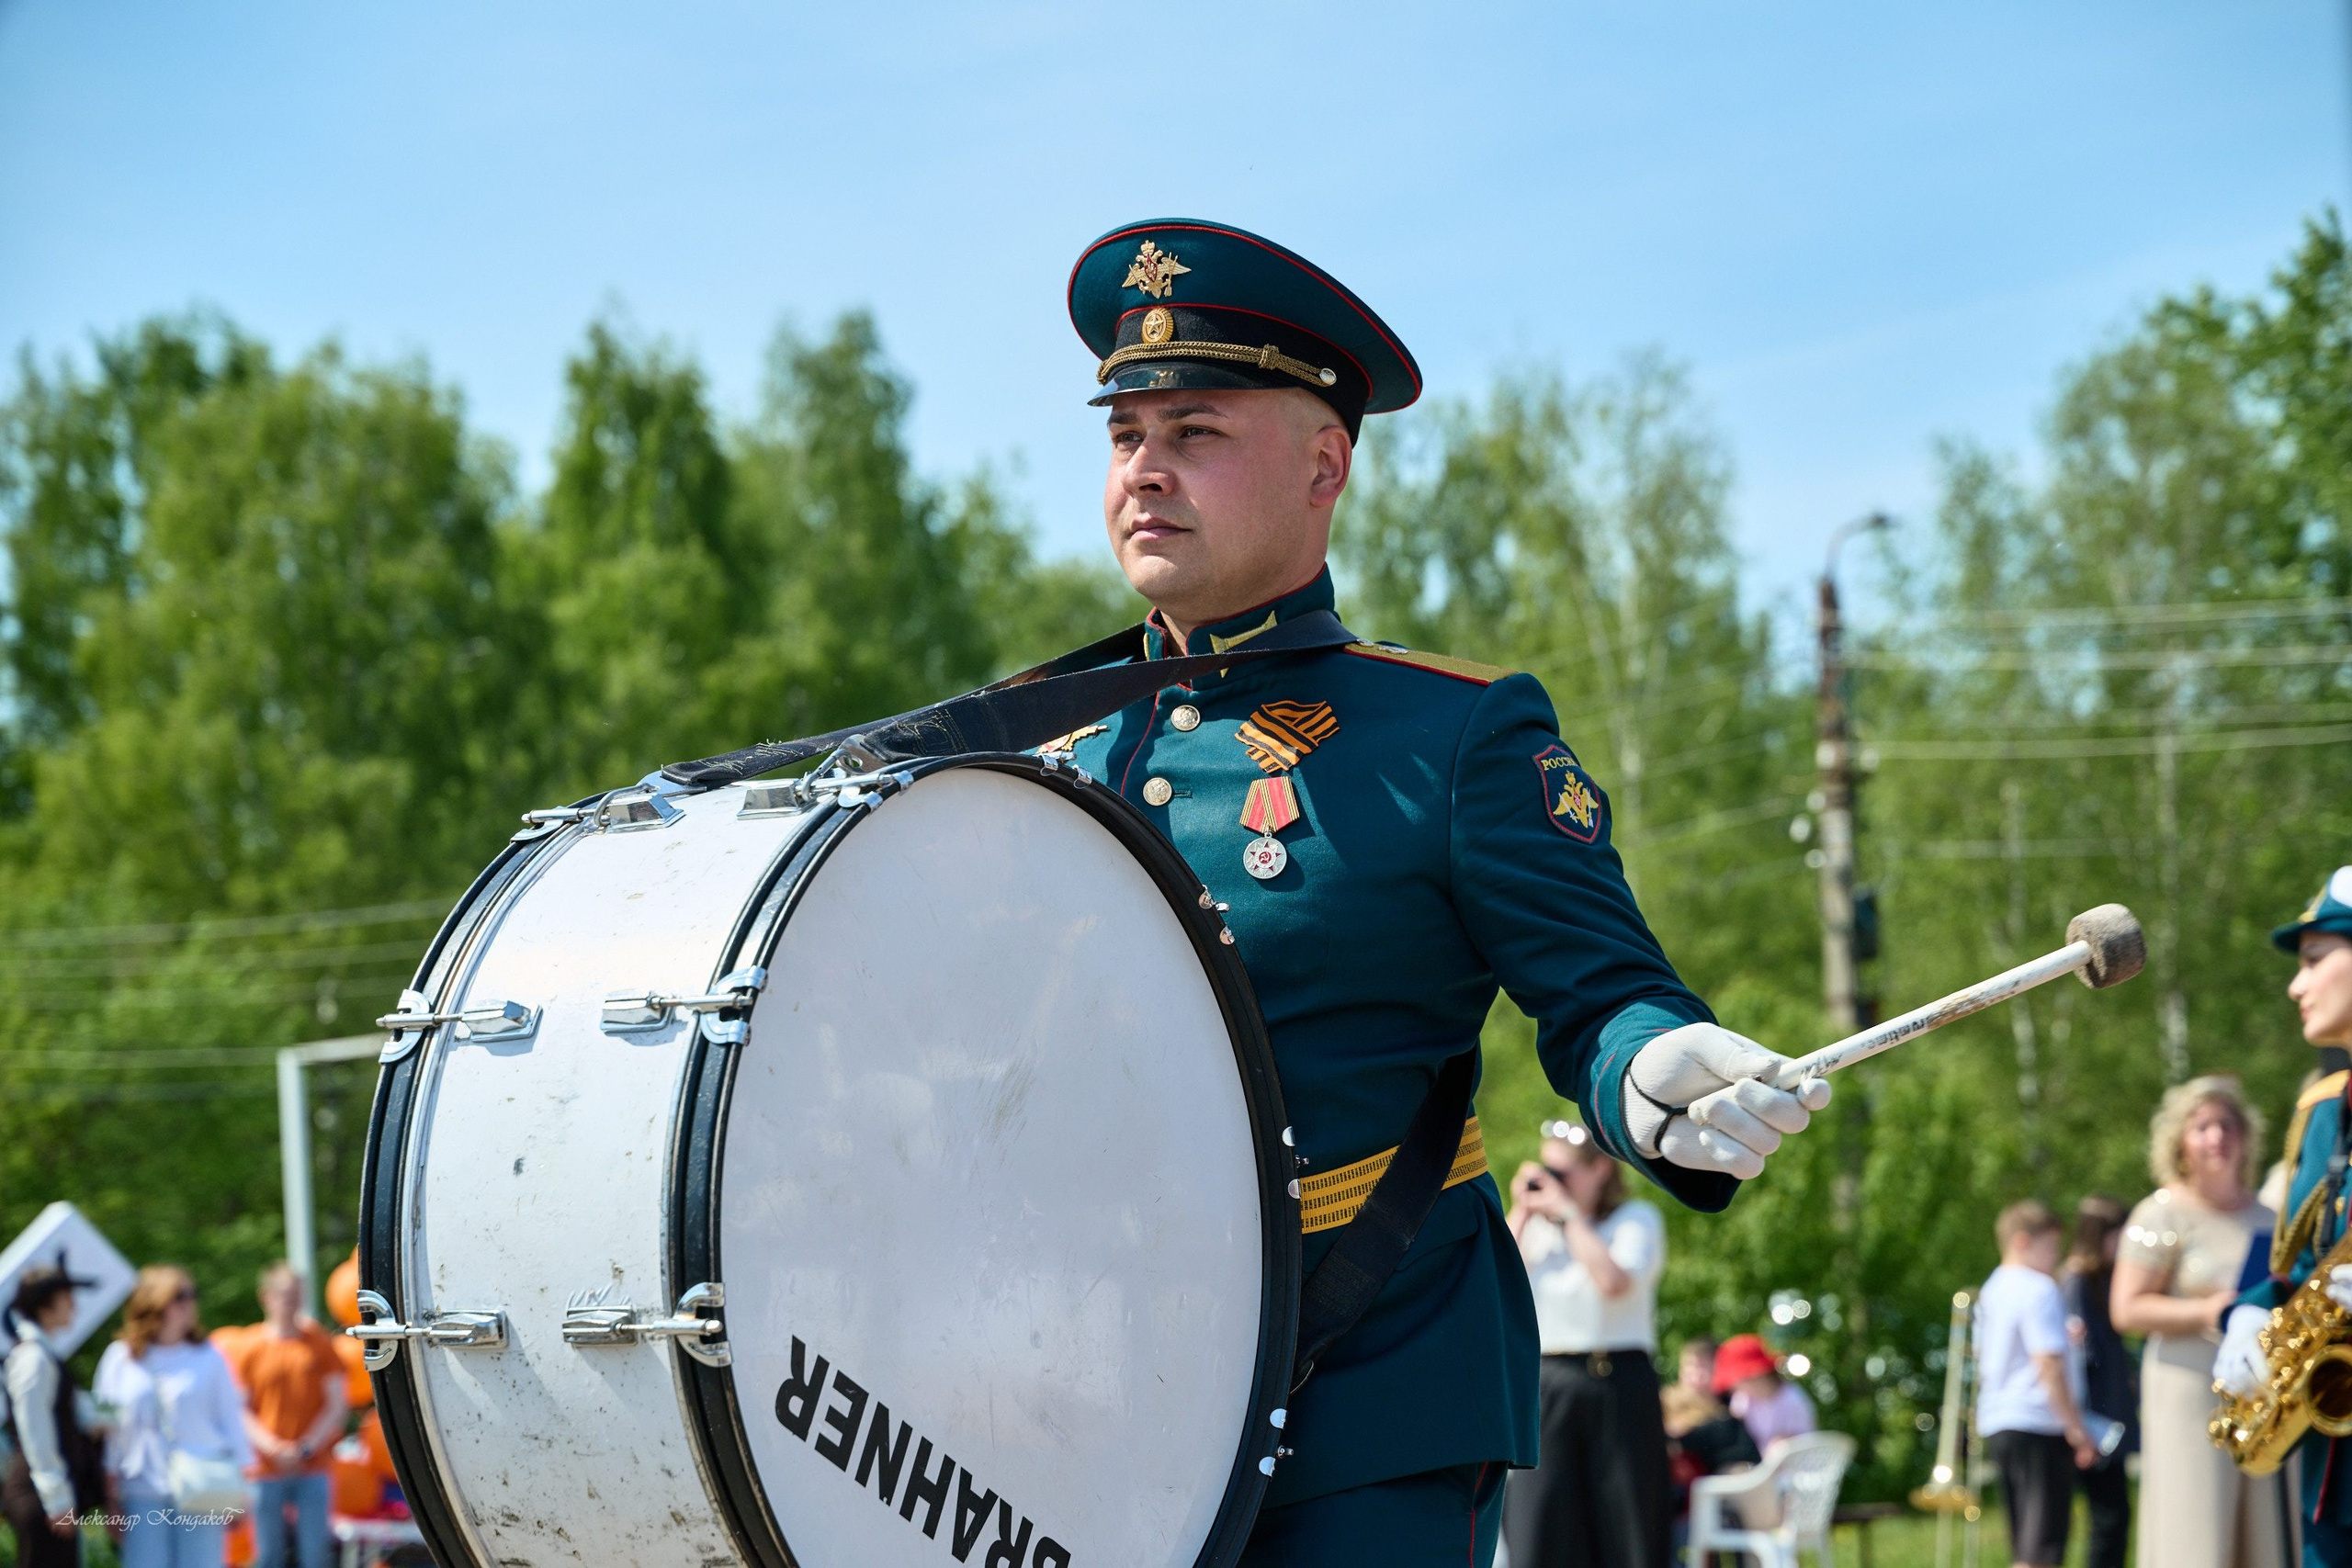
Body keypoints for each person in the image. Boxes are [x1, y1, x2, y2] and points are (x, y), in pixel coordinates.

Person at [1053, 218, 1835, 1564]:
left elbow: (1605, 996)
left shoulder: (1453, 736)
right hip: (1097, 1382)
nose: (1146, 471)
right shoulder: (1050, 762)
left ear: (1324, 463)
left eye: (1196, 430)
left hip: (1365, 1384)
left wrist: (1654, 1068)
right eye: (1127, 435)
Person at [2217, 868, 2352, 1566]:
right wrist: (2250, 1313)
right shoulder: (2322, 1115)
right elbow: (2299, 1268)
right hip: (2335, 1482)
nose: (2296, 986)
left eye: (2313, 960)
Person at [2113, 1077, 2284, 1568]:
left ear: (2245, 1137)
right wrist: (2211, 1311)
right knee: (2196, 1534)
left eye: (2227, 1125)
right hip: (2190, 1392)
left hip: (2264, 1393)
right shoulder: (2160, 1212)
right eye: (2202, 1126)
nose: (2217, 1137)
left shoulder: (2269, 1217)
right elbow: (2125, 1310)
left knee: (2265, 1537)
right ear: (2180, 1141)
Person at [1500, 1118, 1670, 1567]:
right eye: (1546, 1171)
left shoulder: (1635, 1221)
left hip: (1620, 1381)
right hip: (1550, 1383)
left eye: (1563, 1173)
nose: (1553, 1184)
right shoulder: (1537, 1230)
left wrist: (1571, 1217)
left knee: (1629, 1524)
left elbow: (1613, 1282)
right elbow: (1494, 1281)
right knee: (1541, 1522)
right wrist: (1522, 1210)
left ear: (1599, 1170)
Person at [96, 1265, 253, 1568]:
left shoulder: (209, 1355)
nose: (190, 1303)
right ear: (154, 1302)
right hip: (140, 1488)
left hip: (201, 1486)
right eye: (180, 1296)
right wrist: (108, 1490)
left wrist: (242, 1490)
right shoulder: (119, 1358)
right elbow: (107, 1428)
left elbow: (231, 1421)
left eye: (192, 1295)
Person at [1975, 1201, 2098, 1568]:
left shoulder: (1992, 1288)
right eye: (2050, 1246)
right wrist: (2076, 1429)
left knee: (2024, 1543)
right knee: (2044, 1545)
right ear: (2023, 1242)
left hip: (2000, 1419)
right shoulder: (2039, 1288)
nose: (2055, 1255)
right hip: (2039, 1421)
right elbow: (2047, 1364)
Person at [225, 1264, 345, 1568]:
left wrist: (307, 1446)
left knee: (315, 1554)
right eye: (284, 1295)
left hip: (313, 1463)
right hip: (265, 1468)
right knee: (268, 1555)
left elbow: (336, 1403)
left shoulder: (317, 1342)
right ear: (266, 1297)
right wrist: (271, 1447)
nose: (290, 1302)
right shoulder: (248, 1345)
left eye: (296, 1295)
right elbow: (238, 1409)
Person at [4, 1264, 105, 1568]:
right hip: (39, 1497)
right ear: (45, 1304)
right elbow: (35, 1432)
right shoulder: (33, 1359)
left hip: (45, 1494)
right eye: (66, 1297)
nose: (74, 1305)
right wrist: (56, 1500)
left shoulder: (43, 1354)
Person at [2064, 1195, 2137, 1568]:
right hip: (2093, 1422)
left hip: (2111, 1419)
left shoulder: (2105, 1281)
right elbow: (2078, 1361)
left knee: (2116, 1519)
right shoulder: (2078, 1282)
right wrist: (2081, 1430)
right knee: (2108, 1520)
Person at [1711, 1334, 1815, 1454]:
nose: (1735, 1388)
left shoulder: (1792, 1400)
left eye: (1738, 1381)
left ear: (1755, 1374)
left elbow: (1805, 1444)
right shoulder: (1743, 1400)